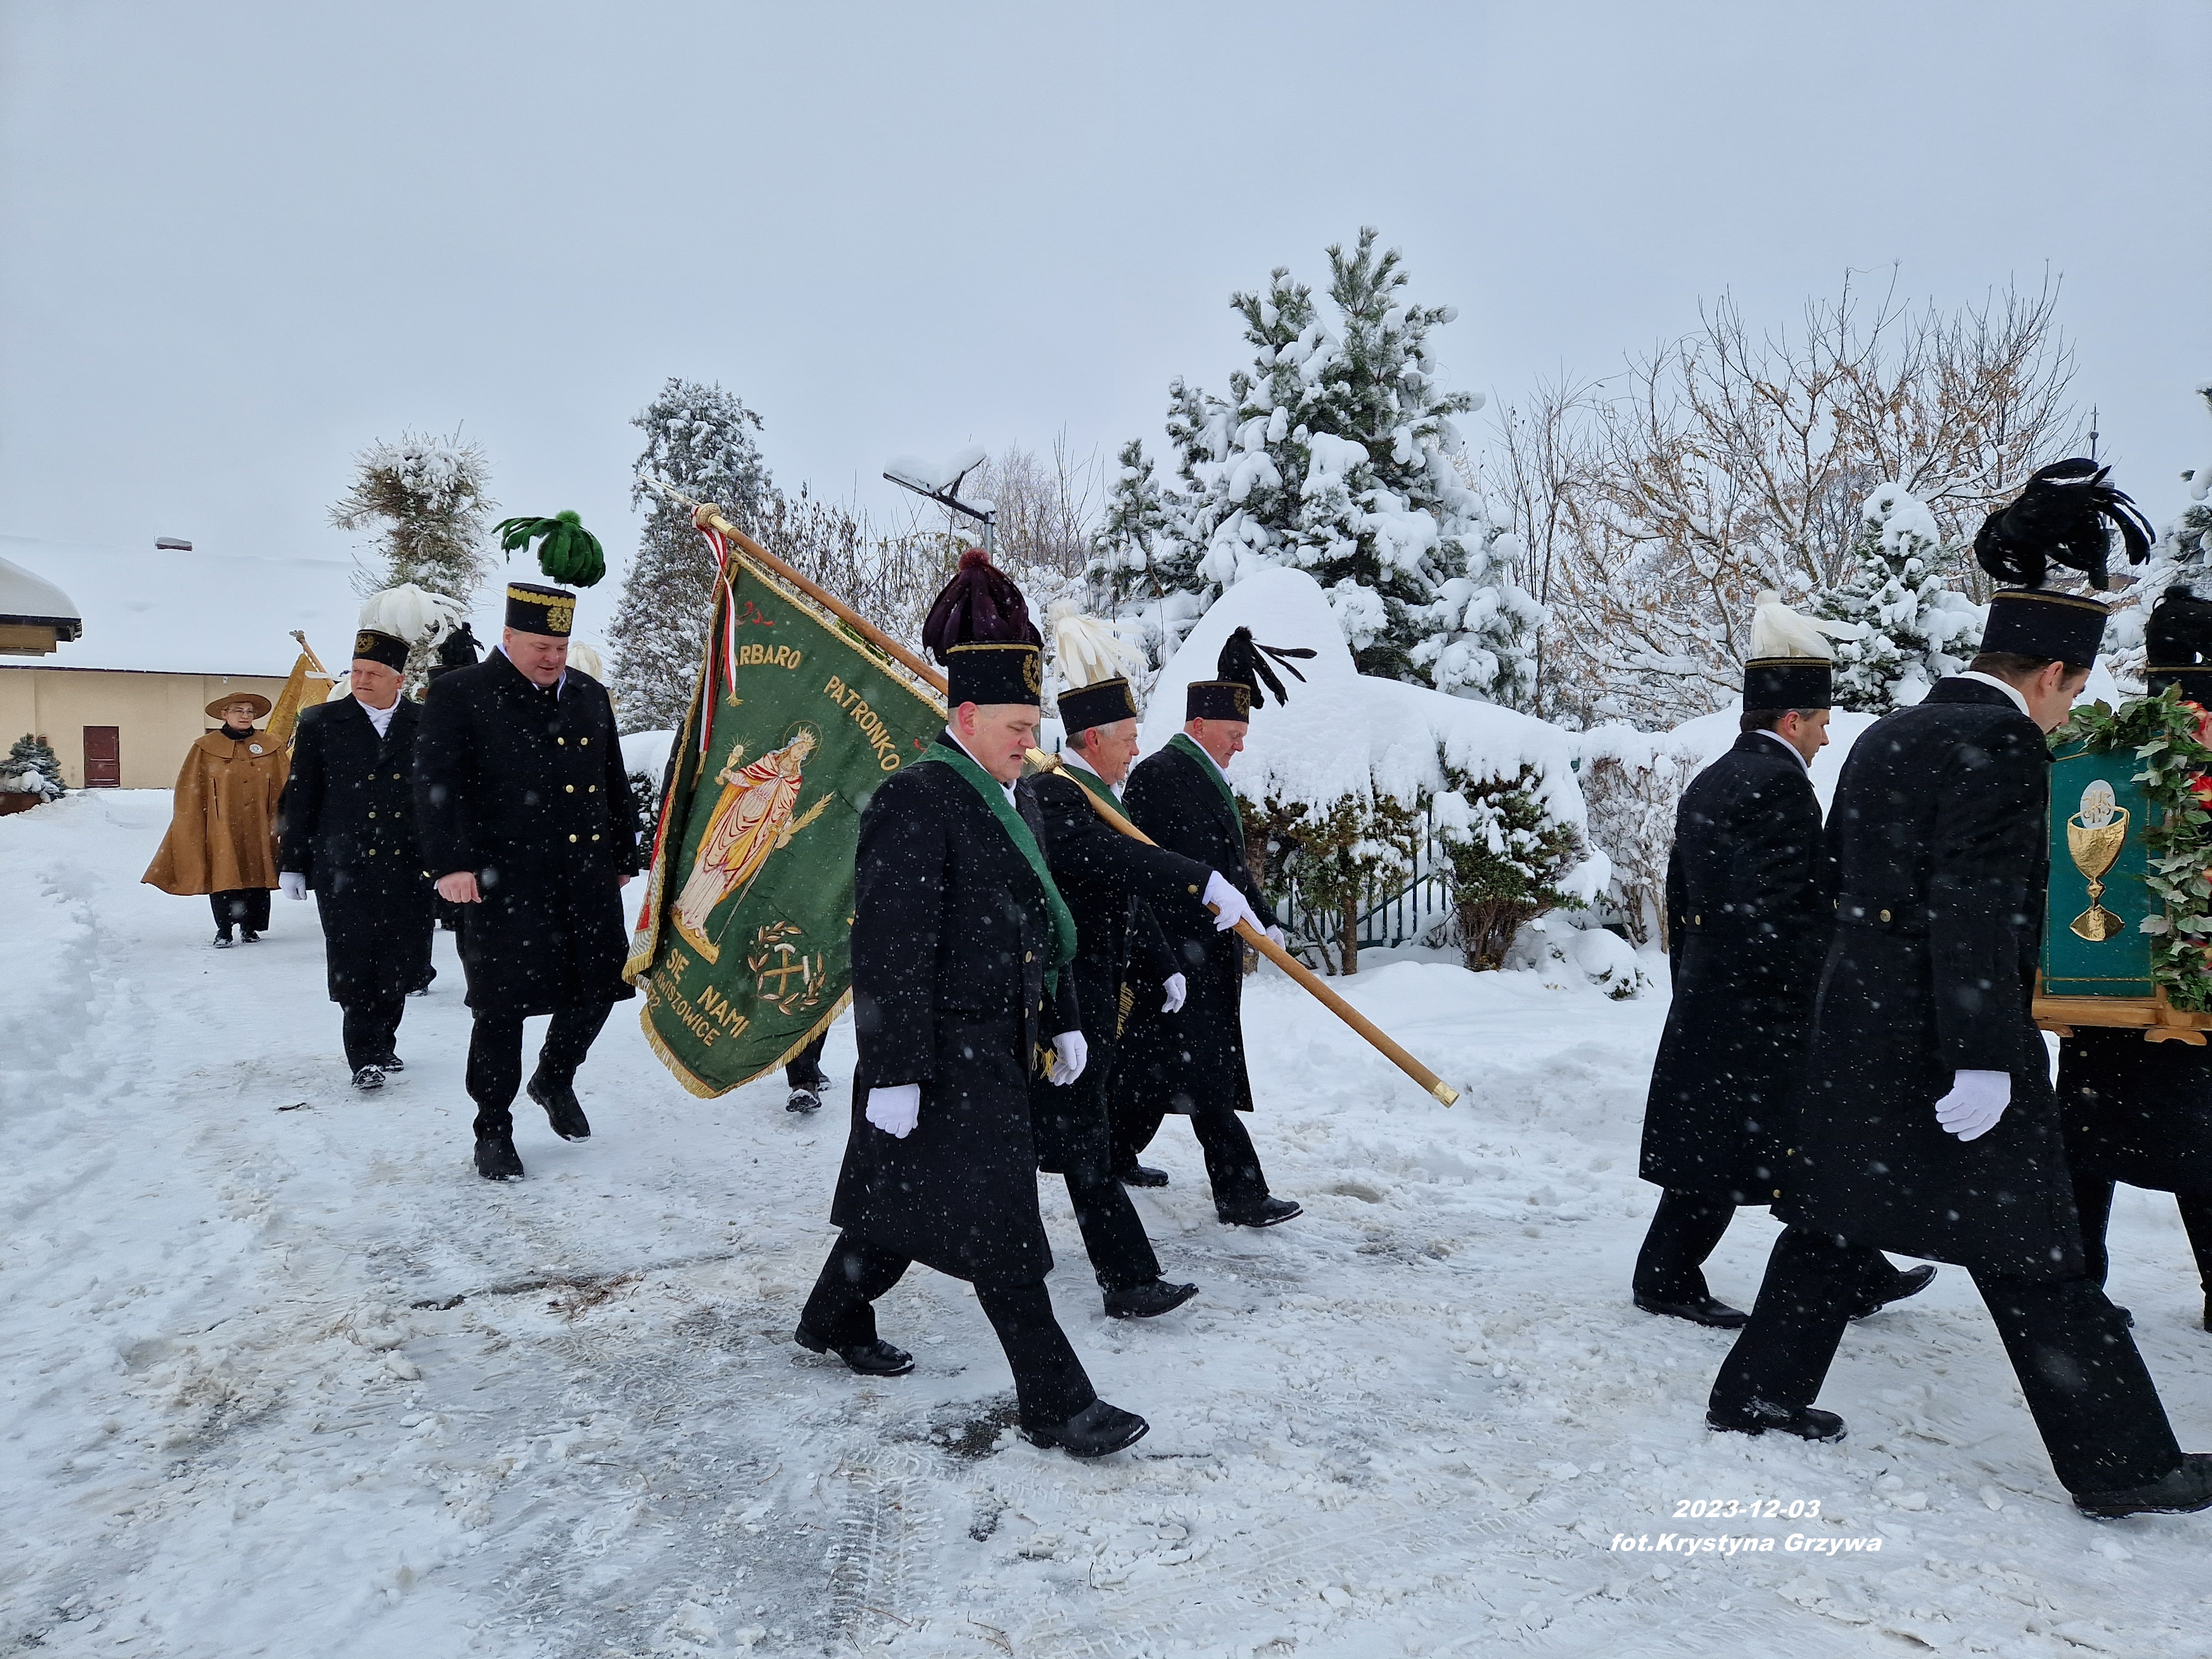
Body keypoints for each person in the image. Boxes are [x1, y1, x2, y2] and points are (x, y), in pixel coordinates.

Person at [1709, 573, 2212, 1518]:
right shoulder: (2006, 743)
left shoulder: (1885, 733)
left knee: (1835, 1214)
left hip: (1861, 1021)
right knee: (2036, 1248)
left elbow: (1836, 882)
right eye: (2071, 689)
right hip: (1955, 1030)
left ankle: (1756, 1395)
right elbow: (1976, 908)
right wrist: (1983, 1051)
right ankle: (2120, 1462)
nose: (2067, 707)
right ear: (2053, 671)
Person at [799, 548, 1147, 1459]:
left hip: (1005, 1046)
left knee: (901, 1208)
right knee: (1004, 1233)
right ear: (963, 716)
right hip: (938, 1055)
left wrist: (1066, 1016)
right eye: (1015, 724)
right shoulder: (917, 798)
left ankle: (832, 1314)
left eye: (1035, 724)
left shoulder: (1018, 796)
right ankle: (1057, 1403)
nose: (1029, 740)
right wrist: (895, 1070)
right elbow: (887, 947)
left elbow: (1045, 921)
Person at [1634, 596, 1934, 1328]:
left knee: (1763, 1153)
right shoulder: (1778, 786)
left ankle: (1853, 1274)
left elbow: (1689, 904)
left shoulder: (1714, 778)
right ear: (1792, 720)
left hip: (1719, 1002)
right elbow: (1778, 914)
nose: (1829, 739)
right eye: (1824, 723)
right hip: (1759, 1012)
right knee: (1760, 1154)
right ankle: (1668, 1279)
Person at [1029, 604, 1263, 1316]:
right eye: (1128, 739)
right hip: (1058, 1002)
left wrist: (1162, 962)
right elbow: (1119, 861)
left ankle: (846, 1300)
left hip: (1094, 1001)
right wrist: (1203, 879)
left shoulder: (1098, 790)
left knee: (1076, 1142)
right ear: (1093, 739)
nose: (1137, 750)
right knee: (1075, 1145)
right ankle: (1124, 1278)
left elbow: (1121, 895)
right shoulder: (1057, 796)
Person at [415, 561, 639, 1181]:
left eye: (562, 647)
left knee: (601, 988)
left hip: (585, 874)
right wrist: (451, 865)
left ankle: (555, 1076)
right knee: (501, 1009)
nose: (553, 659)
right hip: (502, 882)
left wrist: (623, 854)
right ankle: (493, 1127)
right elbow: (436, 786)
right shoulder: (461, 694)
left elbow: (611, 780)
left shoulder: (589, 695)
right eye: (542, 646)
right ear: (509, 639)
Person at [1111, 626, 1313, 1227]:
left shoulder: (1204, 775)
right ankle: (1240, 1193)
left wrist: (1266, 922)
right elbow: (1158, 870)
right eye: (1234, 735)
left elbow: (1227, 870)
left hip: (1205, 956)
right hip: (1176, 956)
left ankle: (1110, 1154)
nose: (1241, 747)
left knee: (1151, 1070)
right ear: (1200, 727)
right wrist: (1196, 926)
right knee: (1205, 1076)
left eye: (1244, 735)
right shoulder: (1160, 774)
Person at [2054, 634, 2212, 1336]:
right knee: (2189, 1149)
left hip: (2105, 996)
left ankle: (2080, 1286)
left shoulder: (2103, 759)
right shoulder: (2121, 764)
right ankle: (2083, 1285)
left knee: (2093, 1148)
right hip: (2159, 999)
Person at [276, 622, 436, 1090]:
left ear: (398, 680)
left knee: (401, 958)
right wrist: (292, 862)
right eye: (357, 670)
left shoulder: (424, 724)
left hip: (408, 864)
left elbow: (444, 796)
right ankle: (362, 1054)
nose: (363, 679)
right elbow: (301, 795)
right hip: (342, 864)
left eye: (374, 672)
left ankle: (384, 1041)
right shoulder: (322, 723)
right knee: (353, 956)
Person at [143, 691, 287, 947]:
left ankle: (250, 926)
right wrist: (193, 819)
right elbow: (190, 787)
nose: (245, 716)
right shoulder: (205, 748)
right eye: (238, 711)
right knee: (224, 874)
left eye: (249, 712)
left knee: (258, 873)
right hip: (222, 825)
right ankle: (224, 929)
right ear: (225, 715)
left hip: (259, 824)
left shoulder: (271, 747)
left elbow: (286, 785)